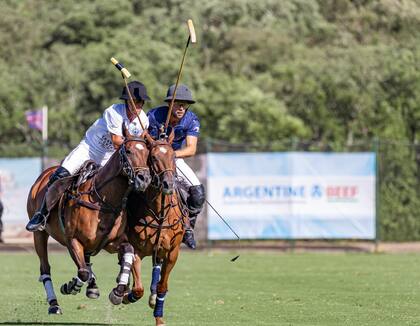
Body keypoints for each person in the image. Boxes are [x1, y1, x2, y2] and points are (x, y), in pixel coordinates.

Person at [26, 81, 151, 232]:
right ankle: (42, 214)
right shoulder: (114, 112)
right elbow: (117, 141)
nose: (138, 105)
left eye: (141, 102)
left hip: (110, 157)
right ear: (127, 101)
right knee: (61, 175)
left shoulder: (143, 120)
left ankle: (128, 224)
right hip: (90, 149)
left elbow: (140, 143)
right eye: (135, 101)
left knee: (131, 184)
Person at [147, 84, 205, 249]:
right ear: (169, 103)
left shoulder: (191, 119)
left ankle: (187, 228)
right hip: (150, 159)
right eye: (178, 103)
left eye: (184, 104)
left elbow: (191, 149)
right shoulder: (153, 116)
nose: (181, 108)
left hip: (173, 159)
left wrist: (170, 154)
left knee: (198, 193)